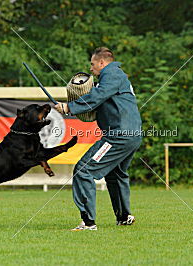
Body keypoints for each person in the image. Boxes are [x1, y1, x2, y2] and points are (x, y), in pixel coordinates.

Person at [54, 47, 142, 231]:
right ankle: (124, 217)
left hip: (119, 135)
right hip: (131, 135)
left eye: (93, 65)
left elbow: (97, 97)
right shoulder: (117, 77)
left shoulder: (111, 75)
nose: (91, 69)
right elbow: (100, 99)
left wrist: (69, 108)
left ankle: (88, 223)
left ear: (102, 63)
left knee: (83, 170)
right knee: (115, 174)